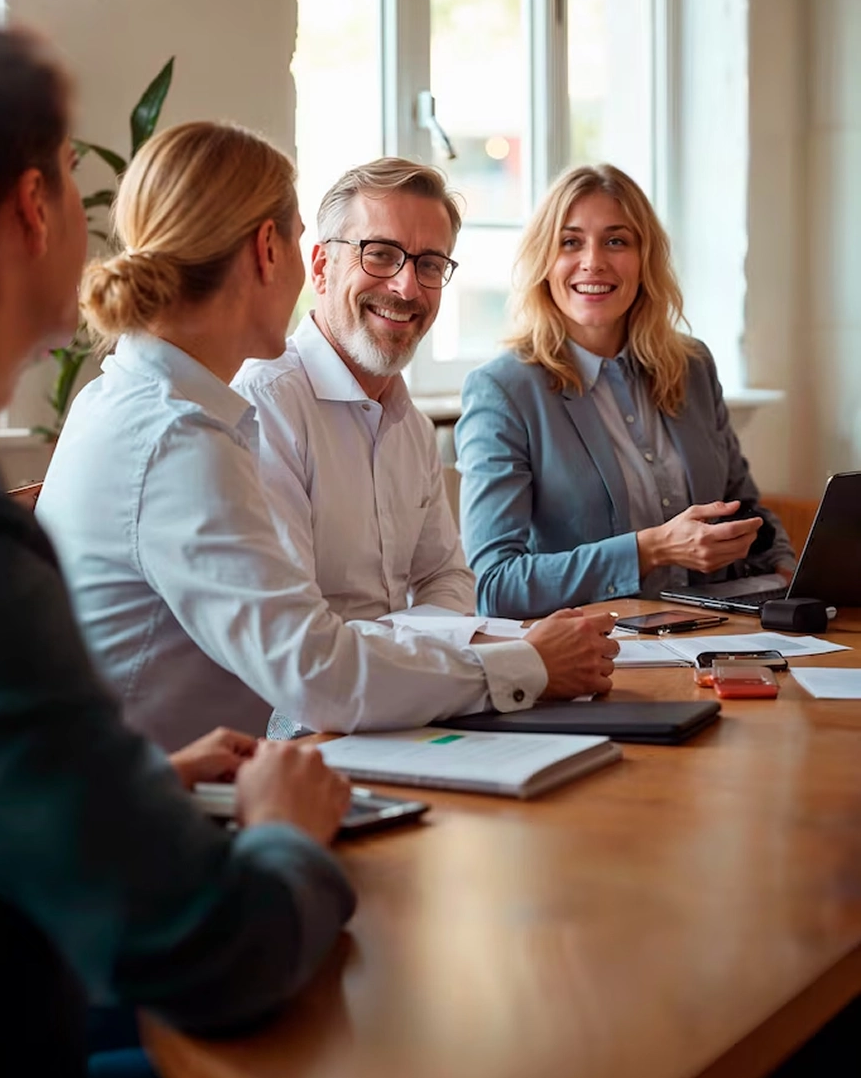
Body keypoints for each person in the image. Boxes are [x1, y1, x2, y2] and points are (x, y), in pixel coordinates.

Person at [0, 3, 355, 1077]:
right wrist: (285, 833)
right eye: (76, 179)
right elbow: (217, 953)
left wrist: (143, 781)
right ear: (34, 206)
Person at [37, 124, 616, 755]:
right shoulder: (181, 435)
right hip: (140, 819)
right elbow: (314, 672)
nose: (405, 286)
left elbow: (424, 590)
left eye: (427, 265)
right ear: (273, 251)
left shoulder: (140, 400)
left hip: (179, 780)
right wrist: (525, 668)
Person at [455, 163, 795, 619]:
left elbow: (743, 505)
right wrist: (649, 549)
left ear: (644, 259)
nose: (593, 261)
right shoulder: (503, 391)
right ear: (543, 261)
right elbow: (494, 586)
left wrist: (783, 563)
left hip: (715, 634)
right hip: (596, 654)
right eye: (570, 242)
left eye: (616, 241)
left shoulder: (691, 367)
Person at [234, 158, 473, 623]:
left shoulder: (413, 427)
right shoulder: (265, 405)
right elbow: (294, 635)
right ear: (322, 266)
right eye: (380, 253)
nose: (406, 288)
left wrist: (422, 659)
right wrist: (427, 656)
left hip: (411, 688)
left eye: (429, 264)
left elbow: (447, 579)